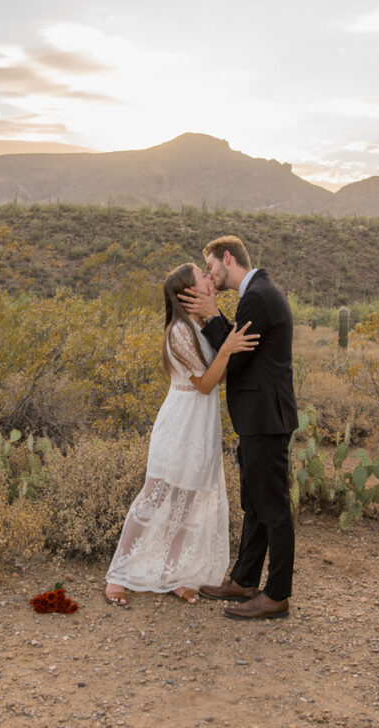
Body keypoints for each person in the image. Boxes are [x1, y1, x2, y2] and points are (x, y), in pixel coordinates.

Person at [104, 262, 258, 607]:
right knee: (155, 495)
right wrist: (228, 349)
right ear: (187, 292)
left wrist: (226, 345)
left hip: (201, 424)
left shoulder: (202, 325)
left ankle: (172, 574)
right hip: (180, 422)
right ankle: (117, 576)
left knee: (187, 501)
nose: (209, 278)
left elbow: (214, 377)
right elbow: (204, 384)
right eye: (202, 276)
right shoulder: (178, 332)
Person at [179, 236, 298, 620]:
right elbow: (239, 346)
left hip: (265, 419)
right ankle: (245, 580)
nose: (211, 276)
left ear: (227, 258)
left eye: (211, 267)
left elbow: (236, 359)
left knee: (273, 507)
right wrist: (217, 321)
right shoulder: (258, 294)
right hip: (258, 419)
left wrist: (213, 316)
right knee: (255, 504)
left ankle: (277, 595)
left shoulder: (258, 297)